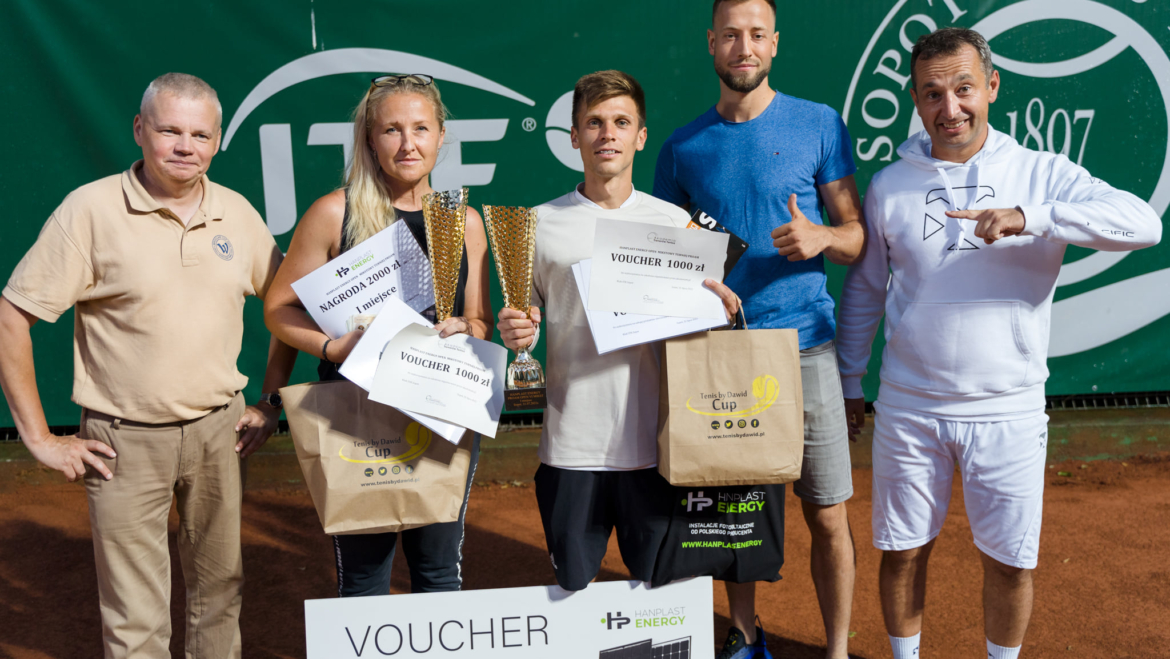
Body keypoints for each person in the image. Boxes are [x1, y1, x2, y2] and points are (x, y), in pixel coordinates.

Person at [836, 27, 1162, 659]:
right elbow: (866, 291)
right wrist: (852, 380)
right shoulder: (888, 186)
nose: (949, 108)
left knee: (1010, 562)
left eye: (963, 89)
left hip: (1008, 407)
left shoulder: (1042, 173)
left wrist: (1031, 216)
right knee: (902, 552)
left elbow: (1143, 225)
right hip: (910, 406)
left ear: (991, 87)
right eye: (932, 94)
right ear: (915, 98)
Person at [0, 73, 296, 658]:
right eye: (169, 130)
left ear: (216, 142)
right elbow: (11, 317)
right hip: (122, 441)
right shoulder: (89, 210)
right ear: (140, 130)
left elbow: (286, 303)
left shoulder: (236, 212)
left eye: (200, 134)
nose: (186, 146)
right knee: (135, 618)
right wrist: (38, 438)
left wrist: (269, 401)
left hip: (221, 432)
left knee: (221, 593)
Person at [652, 1, 865, 656]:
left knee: (827, 512)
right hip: (725, 355)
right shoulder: (681, 149)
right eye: (731, 35)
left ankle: (834, 648)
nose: (744, 46)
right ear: (711, 44)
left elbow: (855, 239)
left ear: (774, 44)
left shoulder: (820, 123)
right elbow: (667, 253)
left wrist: (821, 235)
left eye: (756, 35)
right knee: (733, 513)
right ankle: (745, 634)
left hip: (807, 345)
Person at [497, 70, 741, 592]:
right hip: (570, 447)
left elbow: (702, 330)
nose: (607, 133)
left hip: (657, 448)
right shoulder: (538, 224)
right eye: (594, 122)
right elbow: (526, 323)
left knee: (657, 594)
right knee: (573, 593)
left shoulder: (678, 224)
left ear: (640, 136)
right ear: (574, 137)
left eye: (621, 122)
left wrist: (721, 311)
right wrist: (517, 330)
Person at [263, 74, 492, 596]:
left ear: (440, 136)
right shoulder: (333, 213)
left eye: (420, 129)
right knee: (364, 577)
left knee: (438, 572)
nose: (407, 144)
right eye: (391, 130)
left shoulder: (466, 220)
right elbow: (278, 309)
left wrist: (465, 327)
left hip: (443, 412)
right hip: (356, 413)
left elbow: (479, 320)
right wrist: (331, 346)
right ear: (370, 139)